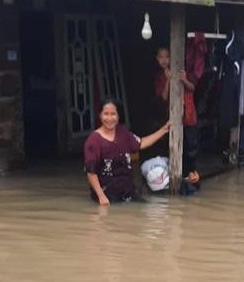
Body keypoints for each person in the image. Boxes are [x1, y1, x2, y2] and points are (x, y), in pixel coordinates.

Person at [84, 98, 169, 205]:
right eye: (106, 114)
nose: (109, 118)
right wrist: (101, 196)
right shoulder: (93, 141)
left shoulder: (123, 133)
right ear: (100, 115)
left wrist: (163, 130)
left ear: (118, 116)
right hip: (107, 194)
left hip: (127, 192)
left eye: (113, 114)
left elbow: (141, 143)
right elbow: (91, 172)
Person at [154, 46, 199, 179]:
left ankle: (190, 173)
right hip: (172, 118)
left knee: (191, 147)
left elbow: (192, 88)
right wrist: (168, 80)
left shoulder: (182, 71)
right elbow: (163, 97)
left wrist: (183, 79)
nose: (164, 60)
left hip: (189, 116)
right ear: (157, 59)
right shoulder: (160, 77)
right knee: (174, 147)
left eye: (167, 56)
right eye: (161, 57)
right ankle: (175, 175)